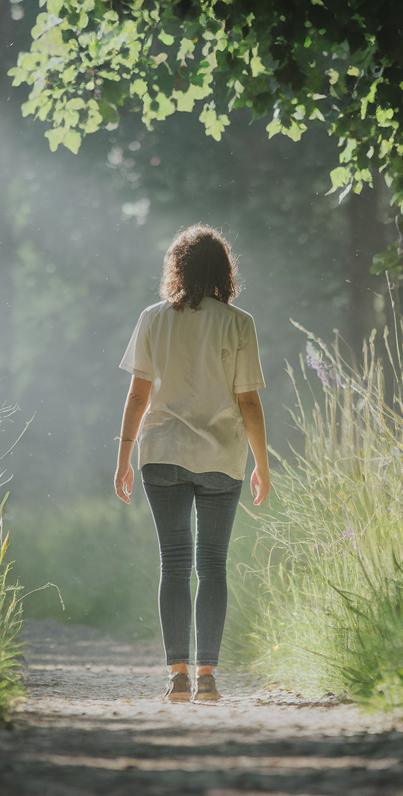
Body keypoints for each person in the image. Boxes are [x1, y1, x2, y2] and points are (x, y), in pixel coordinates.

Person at [114, 223, 270, 703]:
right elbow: (248, 402)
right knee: (213, 566)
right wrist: (263, 464)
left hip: (162, 453)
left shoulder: (153, 319)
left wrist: (122, 459)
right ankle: (207, 679)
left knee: (175, 562)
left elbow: (138, 395)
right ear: (224, 271)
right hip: (222, 457)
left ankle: (177, 676)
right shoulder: (239, 323)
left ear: (175, 268)